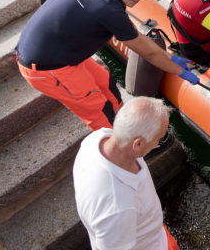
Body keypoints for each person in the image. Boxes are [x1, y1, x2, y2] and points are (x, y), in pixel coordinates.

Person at [16, 0, 198, 131]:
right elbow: (148, 53)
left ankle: (124, 124)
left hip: (59, 53)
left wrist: (171, 58)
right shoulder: (109, 11)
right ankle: (119, 150)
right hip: (46, 68)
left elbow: (143, 42)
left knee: (106, 81)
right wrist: (178, 70)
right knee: (99, 110)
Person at [73, 96, 179, 250]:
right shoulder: (118, 207)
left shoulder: (98, 138)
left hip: (151, 232)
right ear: (138, 143)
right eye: (158, 138)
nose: (158, 143)